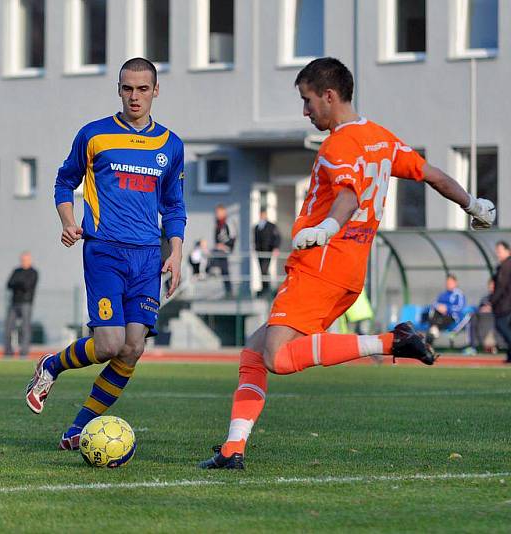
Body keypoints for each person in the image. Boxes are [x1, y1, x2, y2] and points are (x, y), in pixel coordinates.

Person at [199, 58, 496, 469]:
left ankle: (391, 342)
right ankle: (232, 451)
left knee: (276, 357)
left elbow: (348, 195)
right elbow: (432, 174)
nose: (305, 112)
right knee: (254, 351)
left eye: (307, 101)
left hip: (318, 266)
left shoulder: (338, 144)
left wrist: (325, 228)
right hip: (348, 272)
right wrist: (472, 204)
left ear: (329, 95)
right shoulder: (381, 138)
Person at [25, 57, 186, 450]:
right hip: (104, 250)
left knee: (133, 348)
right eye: (128, 88)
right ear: (118, 89)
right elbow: (65, 182)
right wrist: (67, 220)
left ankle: (80, 427)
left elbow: (174, 206)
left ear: (156, 91)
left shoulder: (171, 145)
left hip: (149, 256)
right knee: (111, 344)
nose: (135, 96)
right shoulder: (94, 135)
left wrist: (176, 252)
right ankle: (51, 366)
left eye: (143, 89)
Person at [3, 251, 39, 358]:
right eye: (22, 260)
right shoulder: (16, 271)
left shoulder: (33, 272)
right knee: (8, 327)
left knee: (25, 328)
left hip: (26, 303)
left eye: (25, 260)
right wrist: (19, 283)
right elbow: (9, 284)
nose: (23, 262)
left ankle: (24, 352)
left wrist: (18, 283)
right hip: (14, 303)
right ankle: (8, 352)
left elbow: (27, 286)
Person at [426, 274, 466, 343]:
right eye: (447, 283)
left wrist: (447, 308)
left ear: (455, 283)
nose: (448, 284)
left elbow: (460, 307)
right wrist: (439, 307)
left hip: (451, 316)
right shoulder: (443, 294)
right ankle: (433, 331)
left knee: (433, 327)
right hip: (439, 315)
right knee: (431, 313)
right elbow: (435, 303)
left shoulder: (459, 294)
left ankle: (432, 334)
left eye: (450, 282)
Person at [209, 204, 236, 298]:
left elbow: (233, 237)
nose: (217, 214)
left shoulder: (228, 223)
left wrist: (226, 246)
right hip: (219, 251)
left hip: (226, 251)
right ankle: (211, 269)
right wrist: (218, 245)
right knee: (224, 272)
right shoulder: (218, 224)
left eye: (219, 212)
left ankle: (229, 292)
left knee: (225, 272)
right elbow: (216, 239)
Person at [490, 241, 511, 363]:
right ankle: (509, 356)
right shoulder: (503, 265)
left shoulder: (506, 266)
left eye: (499, 251)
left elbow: (501, 287)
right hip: (506, 304)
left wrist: (492, 301)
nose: (497, 254)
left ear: (508, 251)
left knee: (502, 326)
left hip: (505, 305)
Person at [253, 209, 281, 297]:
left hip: (268, 251)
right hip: (260, 252)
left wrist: (276, 248)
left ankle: (267, 289)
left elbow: (277, 237)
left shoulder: (271, 226)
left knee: (265, 269)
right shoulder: (257, 227)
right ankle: (264, 288)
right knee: (262, 270)